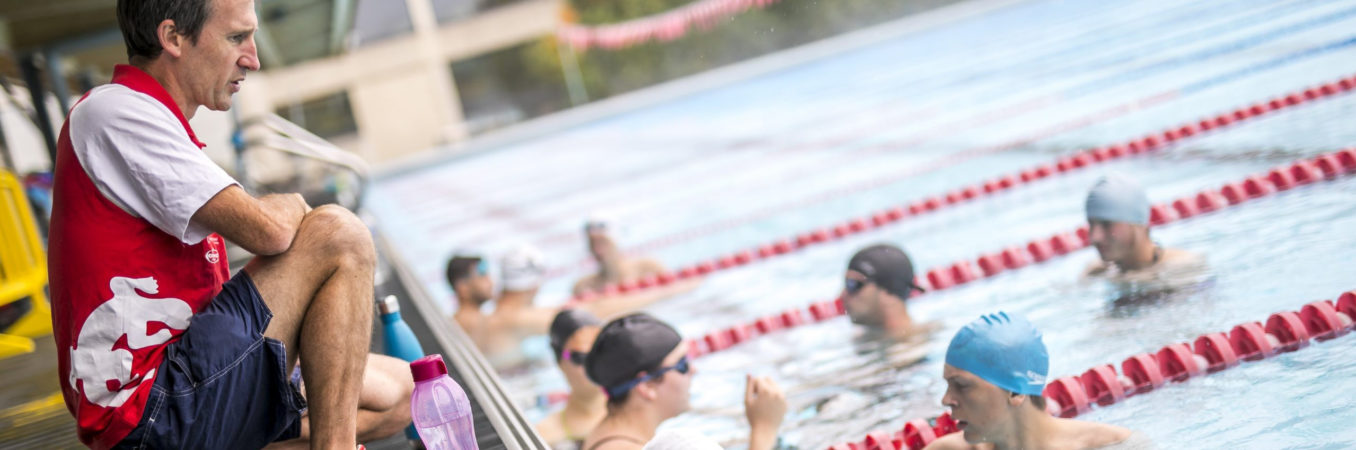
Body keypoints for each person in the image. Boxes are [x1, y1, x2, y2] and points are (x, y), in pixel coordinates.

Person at [49, 1, 409, 448]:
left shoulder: (154, 121)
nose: (253, 59)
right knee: (339, 234)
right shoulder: (114, 112)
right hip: (150, 410)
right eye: (237, 38)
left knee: (400, 393)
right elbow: (268, 232)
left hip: (187, 381)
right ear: (173, 38)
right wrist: (293, 203)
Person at [925, 312, 1153, 450]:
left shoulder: (1116, 446)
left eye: (961, 386)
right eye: (948, 385)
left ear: (1015, 392)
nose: (947, 400)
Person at [448, 247, 699, 366]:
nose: (490, 280)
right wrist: (666, 292)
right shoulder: (513, 319)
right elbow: (589, 313)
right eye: (482, 275)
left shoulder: (495, 316)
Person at [581, 313, 786, 450]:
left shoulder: (608, 435)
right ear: (646, 386)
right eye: (682, 364)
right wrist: (764, 431)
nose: (693, 370)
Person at [1083, 174, 1203, 281]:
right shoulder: (1096, 272)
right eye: (1091, 224)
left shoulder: (1182, 267)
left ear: (1136, 222)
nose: (1095, 238)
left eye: (1106, 224)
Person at [535, 309, 608, 449]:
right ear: (559, 362)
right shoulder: (545, 435)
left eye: (600, 352)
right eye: (580, 357)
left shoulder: (641, 410)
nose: (594, 363)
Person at [842, 244, 936, 342]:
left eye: (853, 284)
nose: (843, 295)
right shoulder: (861, 339)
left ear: (888, 292)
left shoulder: (917, 343)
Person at [573, 215, 667, 297]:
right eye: (593, 244)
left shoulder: (648, 268)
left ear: (616, 240)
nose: (598, 251)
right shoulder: (584, 286)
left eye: (602, 243)